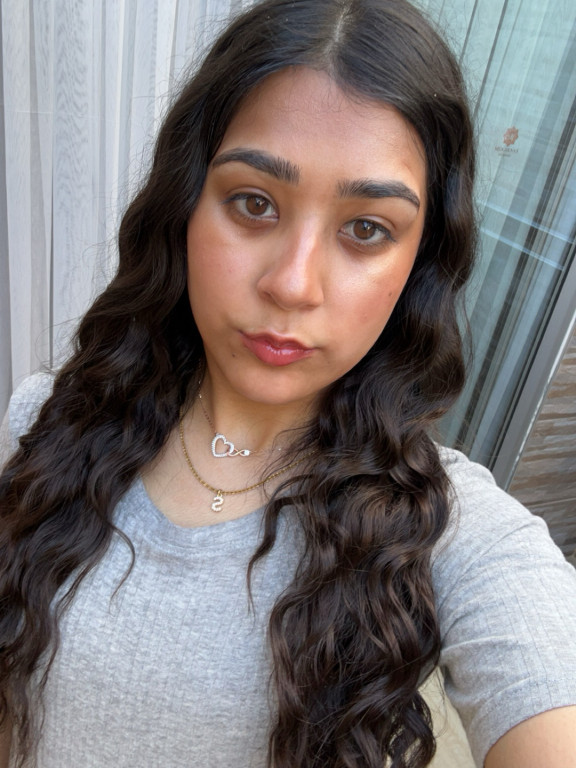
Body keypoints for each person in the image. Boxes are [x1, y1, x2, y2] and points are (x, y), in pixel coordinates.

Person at [1, 0, 576, 766]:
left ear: (419, 263)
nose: (293, 283)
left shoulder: (449, 533)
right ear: (185, 206)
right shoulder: (48, 420)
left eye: (366, 228)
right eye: (254, 204)